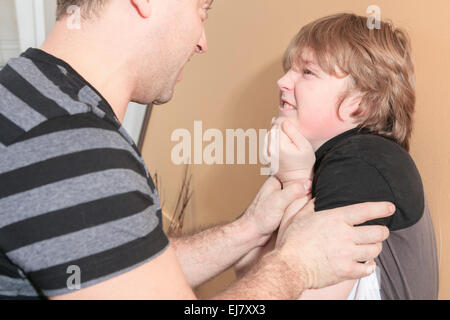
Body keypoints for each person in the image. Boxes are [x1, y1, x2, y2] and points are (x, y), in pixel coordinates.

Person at [0, 1, 394, 300]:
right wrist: (294, 267)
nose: (203, 42)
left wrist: (247, 230)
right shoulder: (73, 149)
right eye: (201, 9)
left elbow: (120, 270)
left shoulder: (28, 95)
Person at [251, 13, 438, 299]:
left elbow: (294, 292)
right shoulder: (342, 157)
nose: (282, 81)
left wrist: (294, 179)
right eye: (289, 68)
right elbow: (251, 275)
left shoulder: (361, 161)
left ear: (361, 103)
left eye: (307, 72)